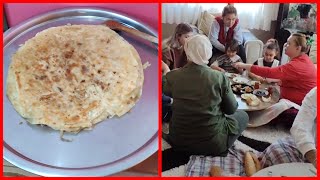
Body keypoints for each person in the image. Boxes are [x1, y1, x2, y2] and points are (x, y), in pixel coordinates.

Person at [162, 35, 249, 171]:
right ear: (208, 52)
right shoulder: (219, 77)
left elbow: (165, 89)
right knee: (243, 115)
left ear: (187, 52)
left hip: (178, 141)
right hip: (213, 144)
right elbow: (231, 110)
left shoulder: (174, 76)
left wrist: (166, 71)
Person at [259, 87, 317, 168]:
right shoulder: (316, 93)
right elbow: (301, 126)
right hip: (310, 145)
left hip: (293, 105)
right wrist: (314, 157)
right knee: (274, 152)